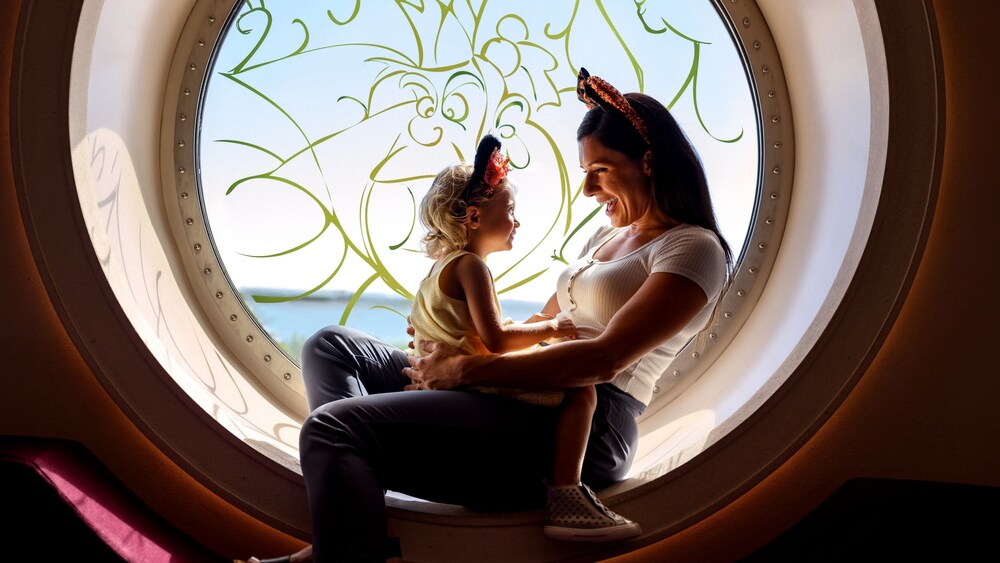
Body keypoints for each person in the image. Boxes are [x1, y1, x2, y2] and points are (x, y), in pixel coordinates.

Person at [281, 67, 732, 562]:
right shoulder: (603, 239)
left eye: (598, 170)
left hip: (586, 422)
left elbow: (606, 358)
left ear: (648, 160)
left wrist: (466, 370)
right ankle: (348, 529)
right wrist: (458, 339)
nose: (587, 191)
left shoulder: (693, 249)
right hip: (528, 395)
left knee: (331, 429)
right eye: (585, 172)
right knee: (330, 346)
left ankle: (341, 543)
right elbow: (544, 324)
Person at [406, 132, 641, 542]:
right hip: (481, 380)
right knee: (582, 390)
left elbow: (469, 329)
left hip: (461, 369)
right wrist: (551, 328)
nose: (517, 220)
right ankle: (567, 494)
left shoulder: (440, 267)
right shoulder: (473, 267)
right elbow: (495, 341)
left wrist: (524, 328)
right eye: (510, 210)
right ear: (475, 218)